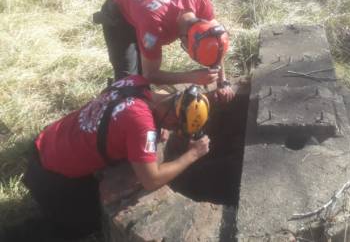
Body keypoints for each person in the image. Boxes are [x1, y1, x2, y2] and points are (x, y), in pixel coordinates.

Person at [19, 75, 211, 241]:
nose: (171, 130)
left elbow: (119, 117)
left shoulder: (136, 83)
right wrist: (193, 154)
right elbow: (151, 180)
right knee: (86, 225)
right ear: (172, 115)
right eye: (175, 127)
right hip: (49, 173)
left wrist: (156, 127)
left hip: (49, 140)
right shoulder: (141, 125)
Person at [93, 0, 234, 103]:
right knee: (129, 82)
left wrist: (223, 82)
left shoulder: (200, 2)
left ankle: (144, 104)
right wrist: (192, 77)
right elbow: (150, 74)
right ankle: (113, 108)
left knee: (141, 84)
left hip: (142, 0)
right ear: (184, 41)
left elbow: (218, 42)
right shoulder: (154, 27)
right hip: (119, 12)